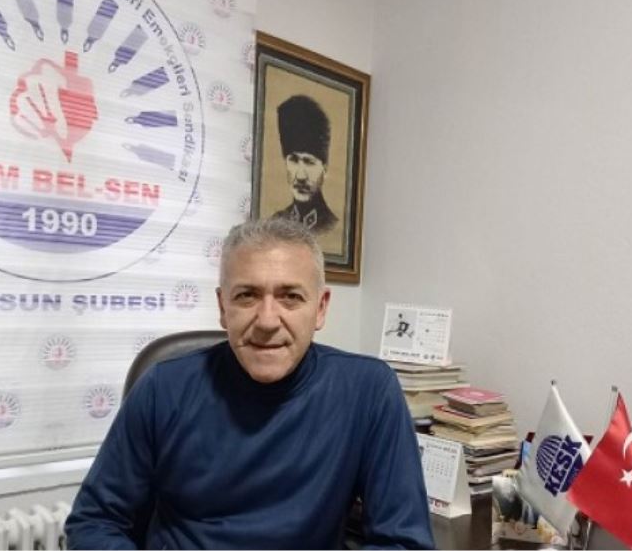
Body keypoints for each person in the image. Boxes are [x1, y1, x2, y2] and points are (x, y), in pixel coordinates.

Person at [64, 217, 434, 549]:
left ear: (320, 308)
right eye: (247, 296)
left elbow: (403, 541)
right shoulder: (163, 389)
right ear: (223, 307)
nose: (268, 320)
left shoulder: (369, 393)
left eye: (290, 297)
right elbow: (94, 522)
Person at [272, 95, 339, 233]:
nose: (301, 176)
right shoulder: (275, 223)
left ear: (324, 170)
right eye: (294, 160)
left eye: (309, 162)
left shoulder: (330, 224)